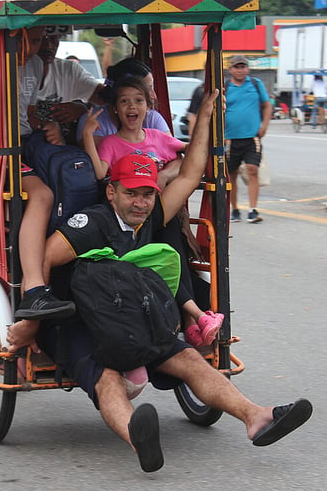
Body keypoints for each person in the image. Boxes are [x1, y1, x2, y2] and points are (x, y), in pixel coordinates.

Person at [7, 90, 312, 473]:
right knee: (107, 378)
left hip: (133, 318)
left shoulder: (151, 217)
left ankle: (257, 417)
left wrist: (203, 118)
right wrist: (34, 322)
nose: (141, 202)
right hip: (77, 324)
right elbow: (46, 259)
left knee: (188, 358)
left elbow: (189, 172)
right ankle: (138, 437)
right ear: (112, 191)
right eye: (132, 193)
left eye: (148, 194)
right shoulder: (91, 224)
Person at [82, 76, 223, 346]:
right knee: (158, 252)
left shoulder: (158, 137)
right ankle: (193, 317)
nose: (131, 107)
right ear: (115, 109)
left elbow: (190, 160)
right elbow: (101, 173)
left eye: (138, 101)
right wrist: (88, 133)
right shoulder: (111, 144)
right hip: (125, 219)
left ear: (149, 107)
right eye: (124, 101)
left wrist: (205, 117)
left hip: (156, 213)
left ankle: (194, 319)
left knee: (171, 245)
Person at [0, 0, 73, 320]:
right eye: (29, 39)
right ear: (13, 34)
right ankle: (34, 288)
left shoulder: (37, 64)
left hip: (23, 149)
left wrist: (55, 122)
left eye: (39, 40)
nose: (34, 47)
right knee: (41, 194)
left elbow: (24, 111)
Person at [224, 55, 272, 224]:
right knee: (231, 175)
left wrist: (264, 125)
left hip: (252, 138)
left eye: (243, 66)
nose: (240, 70)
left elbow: (267, 105)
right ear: (230, 70)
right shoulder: (226, 87)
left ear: (247, 68)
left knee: (253, 169)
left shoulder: (255, 84)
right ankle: (234, 209)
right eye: (236, 67)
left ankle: (252, 209)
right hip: (230, 140)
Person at [35, 29, 104, 145]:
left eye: (53, 39)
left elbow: (103, 97)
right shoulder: (10, 70)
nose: (48, 46)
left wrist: (83, 110)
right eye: (40, 40)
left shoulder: (69, 70)